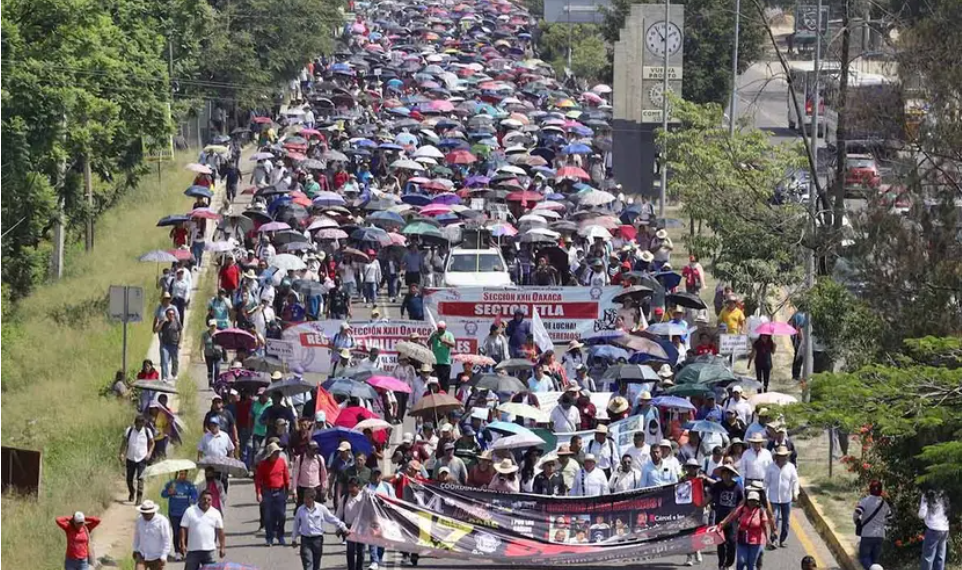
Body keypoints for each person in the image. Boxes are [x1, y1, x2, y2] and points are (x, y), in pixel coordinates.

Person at [292, 488, 350, 570]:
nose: (305, 500)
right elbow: (296, 525)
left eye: (308, 498)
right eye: (304, 498)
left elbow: (332, 519)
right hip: (305, 540)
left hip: (317, 540)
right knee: (308, 564)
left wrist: (343, 527)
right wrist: (294, 538)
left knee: (316, 564)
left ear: (313, 498)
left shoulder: (321, 508)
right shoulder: (300, 510)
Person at [719, 489, 775, 570]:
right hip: (742, 539)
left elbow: (764, 526)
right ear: (747, 501)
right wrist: (723, 523)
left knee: (751, 564)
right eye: (750, 500)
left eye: (754, 501)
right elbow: (732, 516)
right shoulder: (742, 509)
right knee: (741, 561)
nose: (752, 503)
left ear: (758, 502)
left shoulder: (761, 512)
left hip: (756, 541)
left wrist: (767, 539)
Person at [255, 442, 291, 546]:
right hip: (267, 492)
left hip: (280, 492)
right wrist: (258, 493)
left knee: (282, 515)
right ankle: (269, 538)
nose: (277, 454)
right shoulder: (263, 465)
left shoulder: (281, 462)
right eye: (275, 453)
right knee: (268, 517)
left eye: (278, 452)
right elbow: (258, 480)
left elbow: (286, 477)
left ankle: (280, 536)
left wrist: (289, 491)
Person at [179, 490, 226, 570]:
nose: (206, 501)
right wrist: (182, 544)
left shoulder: (216, 513)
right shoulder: (190, 511)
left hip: (209, 551)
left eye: (209, 500)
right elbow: (183, 528)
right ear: (199, 499)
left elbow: (220, 531)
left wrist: (222, 547)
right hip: (193, 550)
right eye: (204, 499)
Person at [763, 446, 799, 548]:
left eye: (784, 456)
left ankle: (783, 540)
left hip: (786, 498)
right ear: (776, 457)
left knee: (786, 521)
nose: (783, 458)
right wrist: (764, 497)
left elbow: (795, 481)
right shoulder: (770, 467)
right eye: (780, 456)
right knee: (774, 519)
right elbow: (766, 483)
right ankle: (774, 539)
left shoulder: (791, 467)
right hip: (773, 499)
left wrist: (795, 493)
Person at [711, 464, 744, 569]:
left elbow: (741, 503)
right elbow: (708, 498)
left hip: (732, 520)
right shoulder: (716, 486)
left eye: (728, 473)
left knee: (732, 542)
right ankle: (721, 564)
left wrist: (739, 515)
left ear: (732, 475)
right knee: (720, 543)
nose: (726, 476)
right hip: (719, 519)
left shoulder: (737, 487)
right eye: (724, 473)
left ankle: (729, 562)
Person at [853, 480, 890, 570]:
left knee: (864, 558)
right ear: (881, 491)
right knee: (875, 560)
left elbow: (856, 514)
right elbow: (889, 519)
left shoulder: (865, 501)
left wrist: (857, 521)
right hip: (880, 535)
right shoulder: (885, 504)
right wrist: (882, 525)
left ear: (869, 489)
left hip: (867, 534)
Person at [161, 470, 197, 562]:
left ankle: (185, 550)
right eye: (181, 474)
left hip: (185, 513)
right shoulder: (171, 484)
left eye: (184, 474)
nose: (183, 476)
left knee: (186, 532)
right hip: (173, 512)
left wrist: (192, 500)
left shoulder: (189, 485)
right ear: (178, 474)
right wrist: (169, 492)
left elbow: (194, 496)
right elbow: (163, 494)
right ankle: (177, 552)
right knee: (176, 532)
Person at [120, 415, 155, 505]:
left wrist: (149, 453)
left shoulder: (147, 431)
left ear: (143, 424)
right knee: (129, 479)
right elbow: (124, 442)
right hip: (130, 458)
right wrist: (121, 453)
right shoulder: (129, 430)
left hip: (142, 458)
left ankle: (139, 498)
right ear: (135, 423)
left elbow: (152, 443)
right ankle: (132, 492)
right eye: (138, 424)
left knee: (140, 478)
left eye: (141, 424)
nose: (139, 426)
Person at [132, 500, 172, 570]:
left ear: (153, 512)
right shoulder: (139, 520)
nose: (145, 515)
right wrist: (135, 549)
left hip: (157, 557)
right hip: (142, 555)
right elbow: (137, 535)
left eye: (147, 514)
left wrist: (164, 555)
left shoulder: (162, 521)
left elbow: (166, 539)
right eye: (143, 513)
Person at [336, 477, 366, 570]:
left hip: (361, 528)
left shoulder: (364, 498)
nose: (351, 489)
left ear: (358, 487)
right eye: (349, 487)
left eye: (353, 487)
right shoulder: (345, 498)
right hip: (349, 529)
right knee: (350, 551)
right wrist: (338, 528)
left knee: (361, 551)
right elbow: (339, 513)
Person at [918, 489, 950, 570]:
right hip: (945, 527)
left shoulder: (927, 494)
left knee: (928, 558)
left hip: (933, 528)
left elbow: (922, 514)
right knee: (940, 557)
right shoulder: (945, 492)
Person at [294, 441, 329, 508]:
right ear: (307, 449)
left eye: (317, 450)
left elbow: (324, 475)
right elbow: (295, 476)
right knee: (302, 511)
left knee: (317, 510)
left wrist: (324, 489)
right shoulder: (299, 459)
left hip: (316, 489)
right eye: (313, 450)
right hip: (303, 490)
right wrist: (294, 491)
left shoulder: (320, 459)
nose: (315, 452)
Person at [155, 307, 182, 381]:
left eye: (173, 314)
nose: (171, 315)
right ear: (166, 315)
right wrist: (163, 322)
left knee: (175, 360)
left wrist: (179, 343)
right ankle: (165, 377)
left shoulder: (177, 322)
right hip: (165, 345)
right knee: (164, 360)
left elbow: (180, 332)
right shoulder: (163, 322)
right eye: (169, 314)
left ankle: (174, 373)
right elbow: (157, 330)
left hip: (174, 344)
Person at [429, 321, 456, 390]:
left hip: (445, 363)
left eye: (441, 328)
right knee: (435, 382)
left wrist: (444, 341)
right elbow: (428, 343)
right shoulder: (435, 334)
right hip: (435, 363)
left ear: (445, 328)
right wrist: (432, 337)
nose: (440, 330)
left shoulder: (449, 334)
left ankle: (444, 397)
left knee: (445, 383)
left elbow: (453, 344)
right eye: (439, 328)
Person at [200, 320, 222, 388]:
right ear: (209, 326)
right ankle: (210, 383)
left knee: (217, 368)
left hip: (217, 354)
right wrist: (202, 356)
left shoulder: (220, 333)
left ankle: (216, 383)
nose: (213, 327)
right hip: (208, 354)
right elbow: (202, 346)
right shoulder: (205, 334)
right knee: (210, 370)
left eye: (214, 326)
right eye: (211, 326)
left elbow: (224, 343)